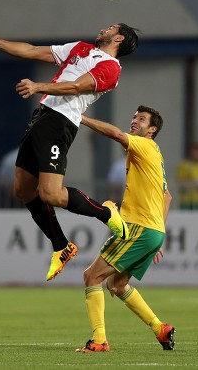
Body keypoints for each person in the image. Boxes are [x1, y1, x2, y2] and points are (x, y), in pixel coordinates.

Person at [0, 23, 139, 281]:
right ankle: (62, 246)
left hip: (60, 123)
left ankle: (106, 213)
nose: (104, 28)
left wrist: (38, 87)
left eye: (111, 28)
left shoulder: (111, 68)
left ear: (119, 38)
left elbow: (77, 87)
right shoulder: (81, 48)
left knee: (51, 194)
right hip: (41, 117)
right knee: (23, 189)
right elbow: (33, 51)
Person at [75, 105, 174, 353]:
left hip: (139, 228)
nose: (134, 121)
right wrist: (157, 235)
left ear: (151, 130)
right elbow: (168, 197)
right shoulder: (154, 153)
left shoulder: (143, 145)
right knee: (116, 285)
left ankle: (99, 340)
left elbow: (117, 135)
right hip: (151, 230)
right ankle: (160, 328)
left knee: (92, 276)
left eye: (141, 119)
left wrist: (80, 118)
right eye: (133, 117)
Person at [176, 142, 198, 210]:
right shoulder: (184, 165)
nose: (197, 155)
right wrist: (193, 182)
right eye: (195, 153)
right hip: (187, 201)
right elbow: (179, 180)